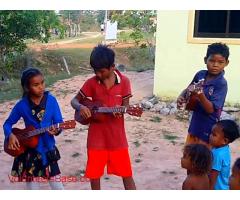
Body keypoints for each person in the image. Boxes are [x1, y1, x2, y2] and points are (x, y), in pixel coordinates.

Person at [71, 44, 136, 190]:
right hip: (96, 138)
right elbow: (74, 101)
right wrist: (81, 107)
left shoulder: (124, 82)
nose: (98, 74)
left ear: (112, 67)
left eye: (101, 71)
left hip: (117, 138)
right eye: (95, 71)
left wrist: (121, 110)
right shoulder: (91, 83)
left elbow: (126, 106)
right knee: (94, 175)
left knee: (127, 173)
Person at [3, 67, 64, 190]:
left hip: (48, 149)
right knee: (33, 189)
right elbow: (7, 124)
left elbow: (59, 122)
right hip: (30, 152)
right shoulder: (22, 105)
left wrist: (57, 130)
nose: (41, 87)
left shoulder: (51, 101)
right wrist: (10, 135)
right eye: (36, 85)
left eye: (42, 83)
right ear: (27, 88)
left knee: (58, 187)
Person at [177, 43, 230, 146]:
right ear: (205, 60)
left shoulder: (221, 83)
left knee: (201, 159)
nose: (215, 65)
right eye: (212, 61)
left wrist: (200, 94)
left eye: (220, 62)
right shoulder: (200, 74)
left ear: (226, 63)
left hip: (209, 131)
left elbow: (210, 110)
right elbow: (188, 89)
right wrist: (181, 96)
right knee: (188, 155)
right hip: (195, 126)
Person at [209, 119, 240, 190]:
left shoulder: (217, 154)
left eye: (214, 135)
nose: (210, 136)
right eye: (211, 133)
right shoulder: (224, 149)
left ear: (225, 141)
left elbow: (213, 176)